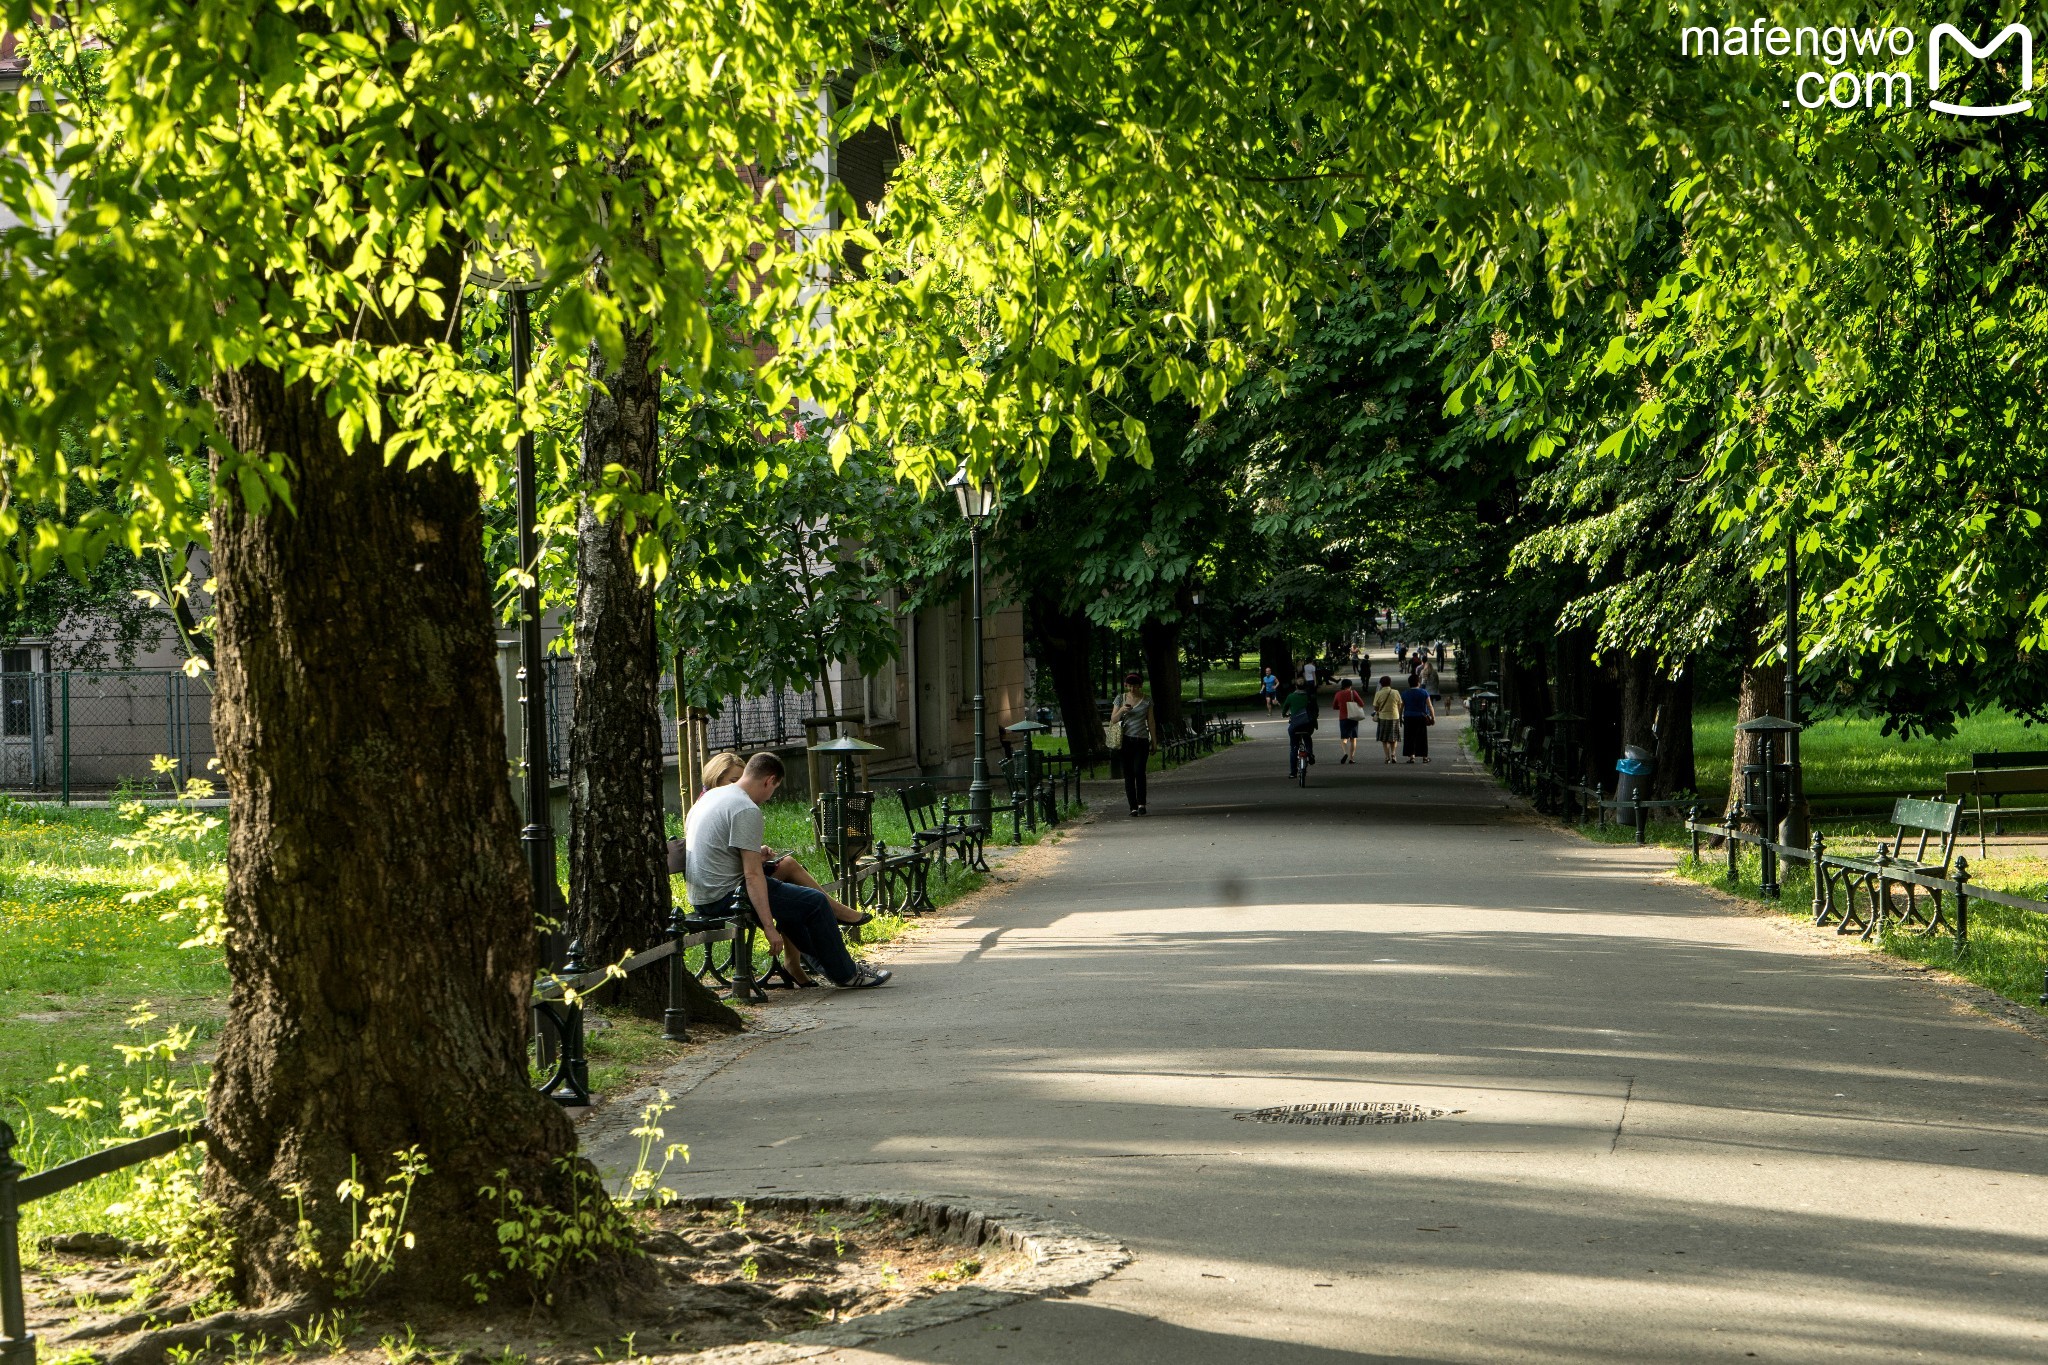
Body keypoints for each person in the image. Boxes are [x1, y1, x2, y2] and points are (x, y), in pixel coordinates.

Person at [684, 752, 890, 988]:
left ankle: (827, 964)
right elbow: (752, 875)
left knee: (796, 902)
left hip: (702, 896)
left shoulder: (712, 796)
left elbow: (721, 852)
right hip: (725, 896)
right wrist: (770, 929)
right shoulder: (745, 808)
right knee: (815, 902)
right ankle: (847, 974)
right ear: (769, 780)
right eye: (774, 790)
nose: (770, 797)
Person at [699, 753, 868, 929]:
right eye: (733, 781)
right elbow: (745, 872)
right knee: (808, 897)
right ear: (714, 779)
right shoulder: (727, 806)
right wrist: (769, 929)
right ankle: (834, 912)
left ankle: (798, 952)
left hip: (720, 887)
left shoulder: (719, 803)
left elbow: (728, 856)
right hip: (723, 894)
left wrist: (757, 855)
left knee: (788, 869)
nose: (740, 786)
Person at [1109, 672, 1157, 815]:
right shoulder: (1120, 698)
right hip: (1125, 741)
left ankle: (1142, 803)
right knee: (1128, 774)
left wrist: (1154, 741)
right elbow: (1113, 720)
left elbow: (1151, 721)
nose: (1132, 690)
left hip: (1141, 740)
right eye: (1129, 686)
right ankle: (1133, 807)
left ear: (1140, 686)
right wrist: (1122, 710)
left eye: (1135, 687)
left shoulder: (1147, 700)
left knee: (1139, 771)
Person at [1283, 676, 1319, 777]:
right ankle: (1310, 753)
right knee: (1307, 737)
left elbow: (1284, 710)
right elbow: (1316, 710)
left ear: (1296, 686)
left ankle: (1293, 772)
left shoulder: (1290, 696)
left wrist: (1284, 715)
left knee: (1294, 747)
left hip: (1295, 726)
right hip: (1308, 724)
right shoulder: (1310, 696)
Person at [1401, 676, 1436, 763]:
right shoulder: (1424, 692)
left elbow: (1401, 707)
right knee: (1422, 737)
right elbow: (1430, 706)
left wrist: (1399, 717)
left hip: (1408, 717)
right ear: (1418, 683)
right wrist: (1433, 717)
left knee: (1409, 737)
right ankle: (1424, 757)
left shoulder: (1405, 693)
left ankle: (1412, 756)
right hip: (1421, 717)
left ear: (1409, 683)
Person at [1332, 676, 1366, 764]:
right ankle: (1351, 758)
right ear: (1350, 685)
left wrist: (1341, 707)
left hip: (1343, 718)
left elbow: (1334, 706)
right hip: (1353, 717)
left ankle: (1345, 752)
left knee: (1344, 738)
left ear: (1342, 685)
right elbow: (1362, 704)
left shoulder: (1338, 694)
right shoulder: (1353, 693)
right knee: (1353, 738)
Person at [1372, 675, 1403, 764]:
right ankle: (1393, 754)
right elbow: (1399, 705)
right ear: (1390, 683)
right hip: (1394, 717)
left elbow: (1375, 707)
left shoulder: (1378, 693)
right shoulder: (1395, 692)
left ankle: (1387, 757)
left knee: (1384, 739)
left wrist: (1379, 711)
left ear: (1381, 684)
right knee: (1394, 738)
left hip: (1383, 718)